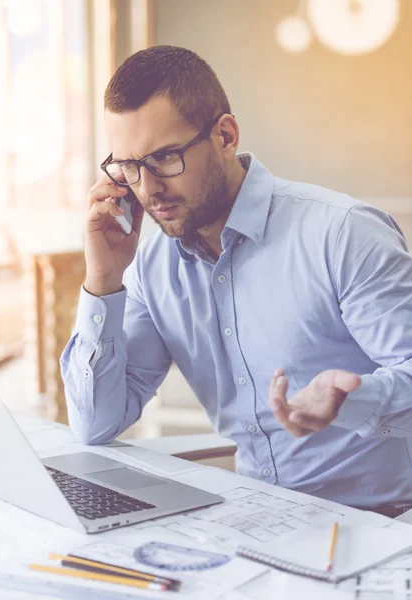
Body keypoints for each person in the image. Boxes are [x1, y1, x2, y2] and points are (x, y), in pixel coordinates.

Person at [61, 45, 412, 517]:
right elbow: (95, 425)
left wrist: (351, 399)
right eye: (128, 166)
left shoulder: (343, 234)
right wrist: (103, 280)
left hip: (381, 525)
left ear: (225, 135)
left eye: (164, 157)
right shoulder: (151, 266)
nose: (146, 188)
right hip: (255, 524)